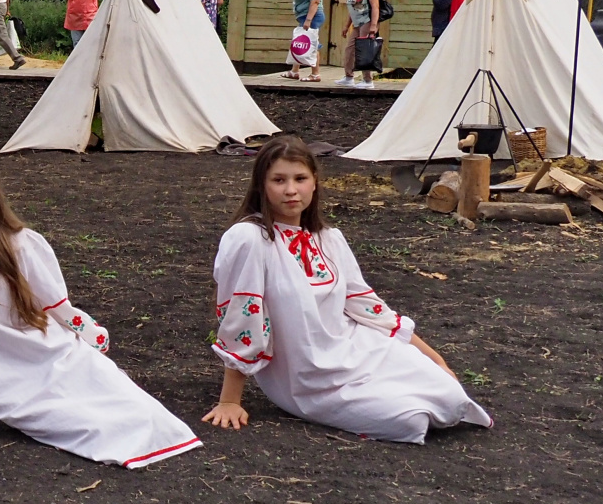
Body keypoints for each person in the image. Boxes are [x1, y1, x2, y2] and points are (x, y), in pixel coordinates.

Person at [0, 146, 200, 468]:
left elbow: (53, 305)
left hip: (56, 351)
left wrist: (85, 339)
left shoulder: (17, 242)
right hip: (10, 377)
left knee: (139, 408)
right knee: (88, 424)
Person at [204, 135, 492, 443]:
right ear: (262, 185)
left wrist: (436, 360)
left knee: (451, 398)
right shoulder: (249, 238)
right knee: (409, 419)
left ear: (314, 182)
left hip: (358, 350)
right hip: (308, 377)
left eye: (300, 178)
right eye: (278, 180)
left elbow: (367, 306)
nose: (290, 190)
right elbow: (243, 318)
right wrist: (230, 400)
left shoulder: (329, 239)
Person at [339, 0, 382, 86]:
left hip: (367, 22)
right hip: (357, 24)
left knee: (364, 49)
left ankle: (368, 80)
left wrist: (373, 25)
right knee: (350, 49)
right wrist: (346, 26)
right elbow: (352, 9)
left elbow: (375, 7)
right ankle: (348, 77)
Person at [288, 0, 324, 82]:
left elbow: (315, 1)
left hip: (312, 17)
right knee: (300, 41)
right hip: (304, 16)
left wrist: (308, 20)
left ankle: (315, 74)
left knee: (312, 44)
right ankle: (294, 71)